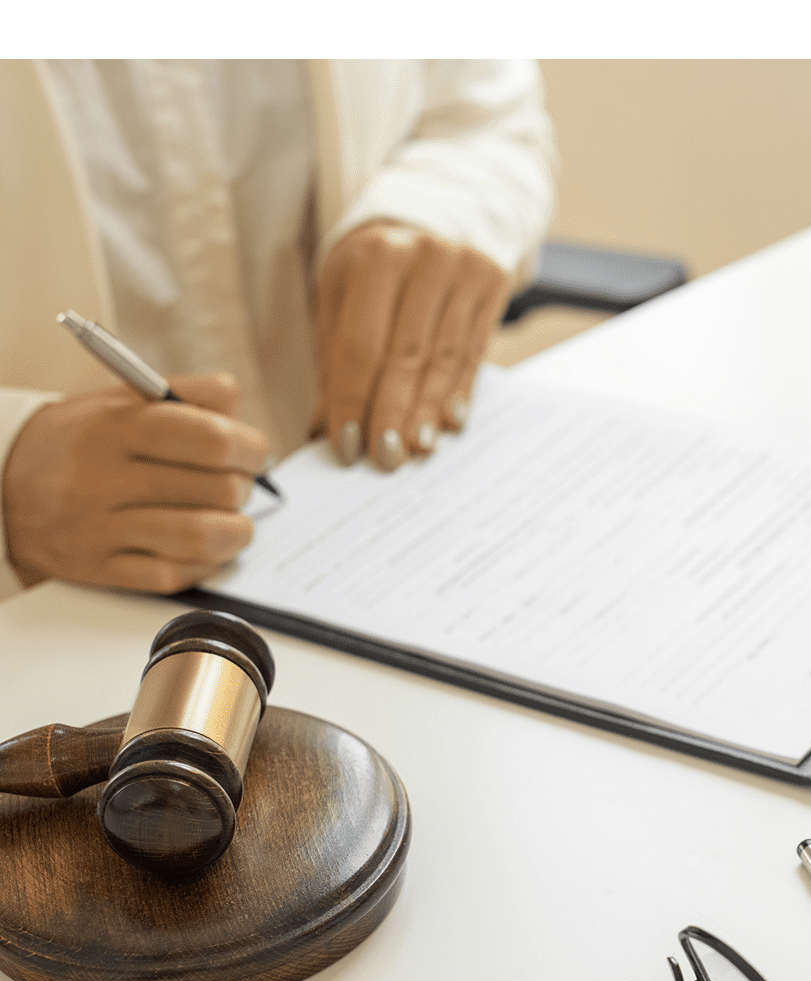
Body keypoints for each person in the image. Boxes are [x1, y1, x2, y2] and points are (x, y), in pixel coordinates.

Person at [0, 59, 556, 600]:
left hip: (367, 514)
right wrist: (8, 477)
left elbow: (490, 118)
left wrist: (429, 214)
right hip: (55, 607)